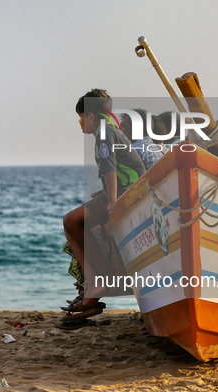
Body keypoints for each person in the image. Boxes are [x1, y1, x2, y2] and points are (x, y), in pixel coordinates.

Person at [62, 89, 145, 312]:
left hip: (129, 192)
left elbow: (110, 167)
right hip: (131, 188)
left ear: (91, 116)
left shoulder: (104, 132)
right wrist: (105, 193)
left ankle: (101, 279)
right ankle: (95, 281)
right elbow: (119, 168)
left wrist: (111, 199)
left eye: (80, 116)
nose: (80, 122)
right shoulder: (111, 130)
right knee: (75, 222)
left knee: (70, 222)